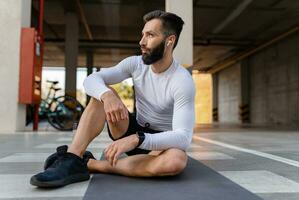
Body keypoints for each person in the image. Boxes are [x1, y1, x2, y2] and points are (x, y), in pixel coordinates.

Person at [30, 10, 195, 188]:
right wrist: (107, 95)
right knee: (101, 94)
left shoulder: (182, 81)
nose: (142, 42)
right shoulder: (135, 63)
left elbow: (183, 137)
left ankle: (91, 164)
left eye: (150, 35)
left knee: (175, 161)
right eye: (142, 35)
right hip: (128, 129)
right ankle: (72, 158)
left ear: (169, 40)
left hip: (160, 143)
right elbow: (92, 79)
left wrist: (137, 139)